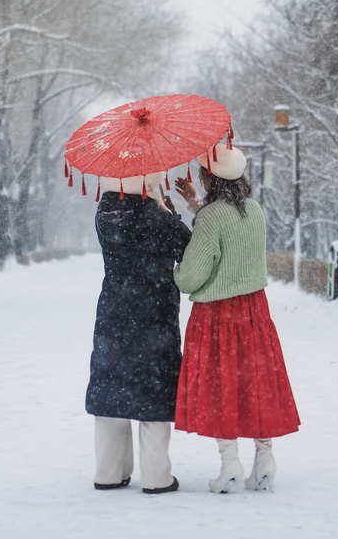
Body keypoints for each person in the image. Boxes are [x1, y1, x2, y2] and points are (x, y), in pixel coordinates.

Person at [172, 145, 300, 494]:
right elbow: (227, 229)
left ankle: (229, 462)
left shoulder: (212, 217)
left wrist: (177, 266)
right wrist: (195, 205)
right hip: (254, 312)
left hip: (217, 316)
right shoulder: (254, 210)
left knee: (222, 387)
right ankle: (265, 459)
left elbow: (189, 278)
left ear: (208, 177)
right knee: (256, 382)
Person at [85, 172, 192, 494]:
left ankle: (109, 472)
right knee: (153, 390)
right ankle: (157, 477)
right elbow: (189, 250)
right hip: (154, 313)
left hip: (114, 311)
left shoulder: (103, 214)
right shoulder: (160, 218)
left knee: (112, 389)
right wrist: (172, 213)